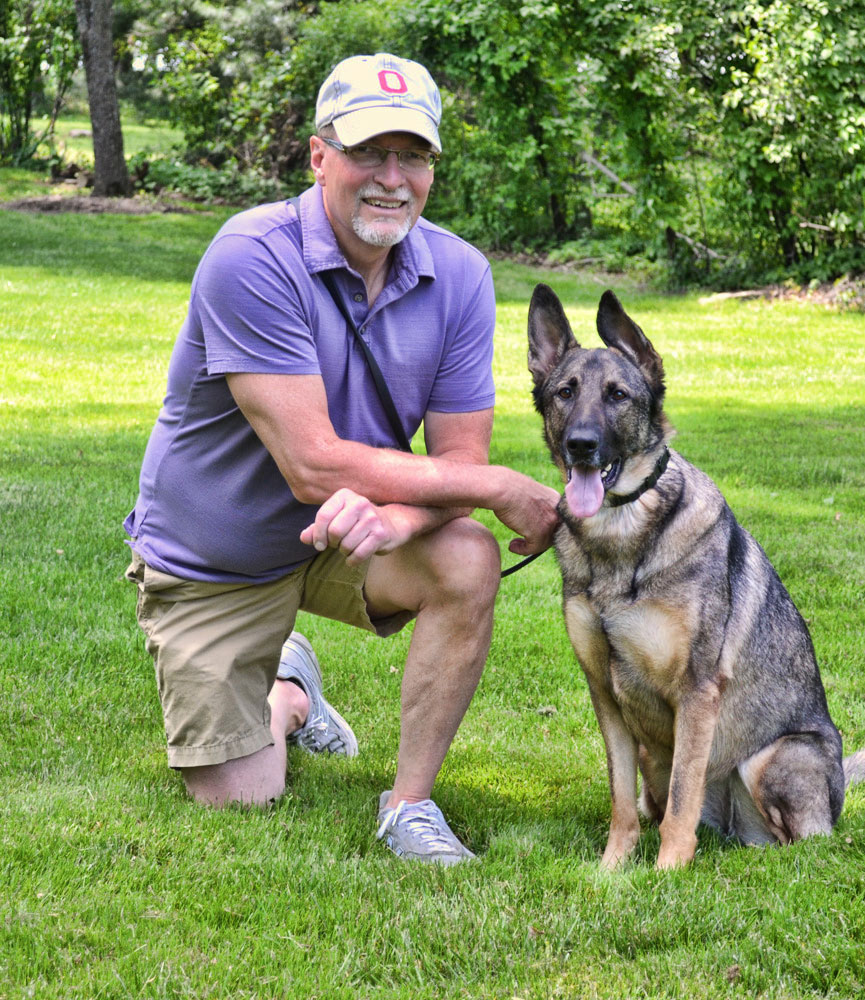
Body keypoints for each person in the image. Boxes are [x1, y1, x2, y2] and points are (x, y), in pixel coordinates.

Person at [123, 52, 559, 865]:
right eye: (368, 153)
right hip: (217, 559)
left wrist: (395, 517)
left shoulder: (461, 274)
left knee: (462, 554)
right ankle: (290, 693)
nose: (392, 178)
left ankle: (410, 806)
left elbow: (454, 460)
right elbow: (314, 466)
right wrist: (503, 485)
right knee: (240, 798)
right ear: (319, 155)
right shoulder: (251, 254)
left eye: (414, 156)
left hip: (346, 537)